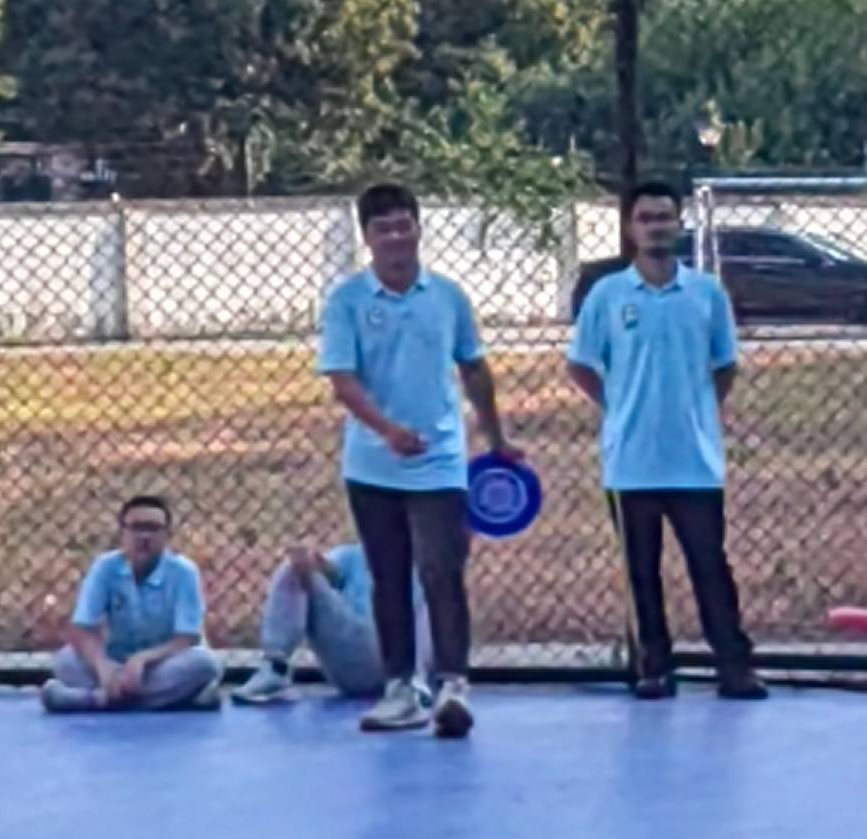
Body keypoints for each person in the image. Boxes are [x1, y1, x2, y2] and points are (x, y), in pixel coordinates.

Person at [317, 180, 519, 740]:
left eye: (405, 225)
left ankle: (452, 683)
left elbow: (474, 369)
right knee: (388, 575)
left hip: (439, 463)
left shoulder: (447, 297)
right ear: (368, 238)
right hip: (372, 465)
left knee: (440, 568)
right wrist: (386, 431)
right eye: (384, 228)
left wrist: (496, 438)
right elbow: (342, 380)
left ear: (418, 228)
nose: (397, 237)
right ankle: (400, 686)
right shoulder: (348, 302)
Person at [567, 179, 766, 700]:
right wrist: (620, 407)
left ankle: (734, 666)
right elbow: (582, 366)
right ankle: (654, 666)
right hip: (630, 462)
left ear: (680, 224)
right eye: (646, 218)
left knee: (710, 566)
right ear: (631, 228)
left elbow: (724, 367)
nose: (656, 227)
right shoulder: (608, 296)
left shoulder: (705, 293)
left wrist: (695, 412)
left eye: (664, 217)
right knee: (641, 572)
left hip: (693, 460)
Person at [41, 492, 221, 712]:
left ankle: (97, 701)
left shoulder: (184, 572)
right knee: (67, 661)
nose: (144, 536)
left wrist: (142, 660)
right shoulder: (105, 567)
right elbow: (82, 629)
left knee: (204, 664)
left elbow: (186, 639)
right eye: (136, 527)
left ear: (167, 535)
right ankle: (172, 699)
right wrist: (103, 669)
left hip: (162, 662)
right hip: (115, 663)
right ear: (122, 533)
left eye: (153, 528)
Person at [228, 537, 430, 704]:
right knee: (294, 569)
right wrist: (310, 563)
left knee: (434, 594)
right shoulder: (355, 554)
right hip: (356, 649)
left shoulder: (424, 556)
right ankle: (275, 667)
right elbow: (330, 572)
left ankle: (417, 681)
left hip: (403, 654)